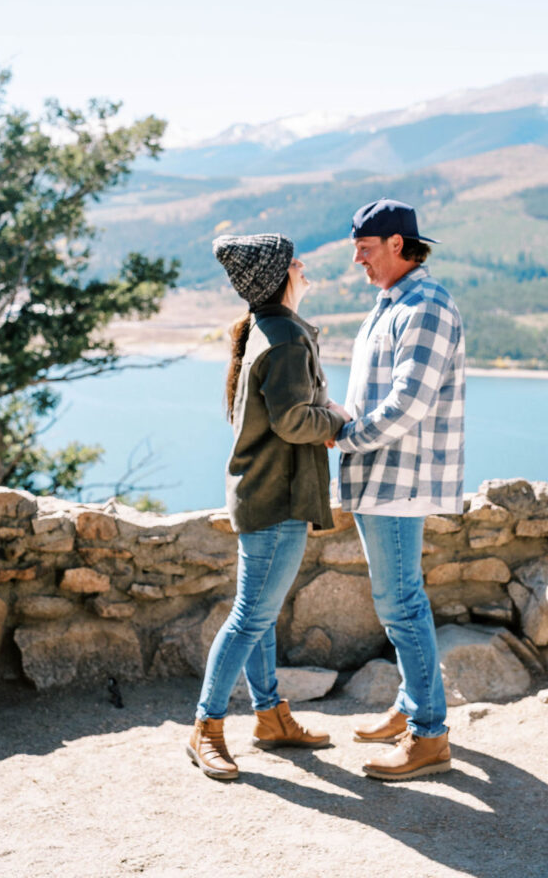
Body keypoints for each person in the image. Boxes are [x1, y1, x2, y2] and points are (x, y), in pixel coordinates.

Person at [188, 233, 350, 781]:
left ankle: (271, 717)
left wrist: (322, 409)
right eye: (292, 261)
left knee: (260, 615)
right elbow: (292, 421)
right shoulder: (282, 338)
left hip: (260, 493)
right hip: (276, 499)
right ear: (279, 277)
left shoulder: (267, 329)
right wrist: (338, 423)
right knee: (249, 619)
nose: (302, 265)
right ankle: (206, 727)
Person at [331, 198, 465, 780]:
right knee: (397, 601)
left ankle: (430, 735)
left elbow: (408, 404)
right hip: (378, 477)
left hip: (396, 478)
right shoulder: (392, 303)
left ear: (396, 244)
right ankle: (414, 708)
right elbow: (375, 396)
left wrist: (346, 437)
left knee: (401, 602)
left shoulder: (427, 305)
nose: (357, 259)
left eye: (365, 247)